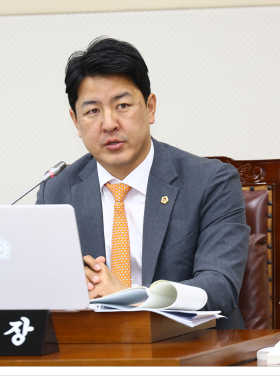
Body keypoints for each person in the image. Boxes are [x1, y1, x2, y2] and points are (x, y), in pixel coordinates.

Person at [36, 37, 250, 329]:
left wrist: (131, 298)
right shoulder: (56, 191)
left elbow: (219, 286)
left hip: (188, 346)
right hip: (92, 346)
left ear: (150, 108)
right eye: (92, 111)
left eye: (122, 105)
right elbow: (41, 284)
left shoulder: (211, 182)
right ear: (76, 121)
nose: (109, 123)